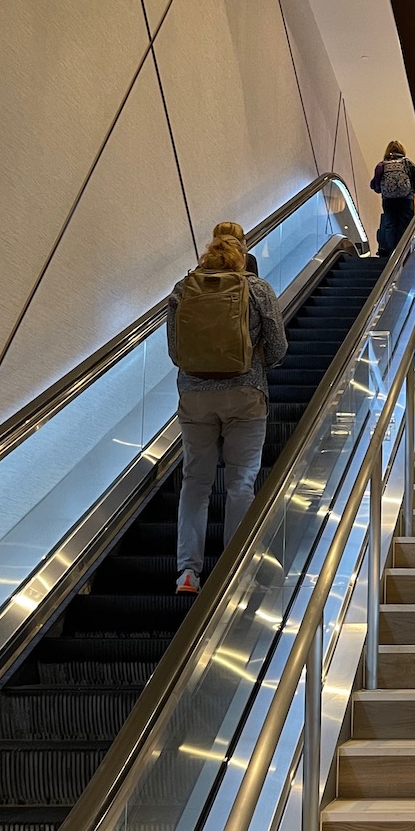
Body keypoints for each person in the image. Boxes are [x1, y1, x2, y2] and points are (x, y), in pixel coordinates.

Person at [166, 235, 287, 594]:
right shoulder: (258, 289)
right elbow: (278, 346)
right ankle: (234, 568)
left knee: (195, 483)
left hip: (194, 397)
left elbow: (176, 351)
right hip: (245, 395)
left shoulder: (182, 288)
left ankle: (188, 572)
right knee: (240, 483)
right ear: (240, 260)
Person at [369, 140, 415, 257]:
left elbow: (375, 185)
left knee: (390, 224)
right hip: (406, 199)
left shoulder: (382, 165)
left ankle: (391, 252)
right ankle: (404, 250)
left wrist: (381, 190)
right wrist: (414, 191)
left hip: (388, 200)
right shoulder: (408, 163)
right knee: (405, 223)